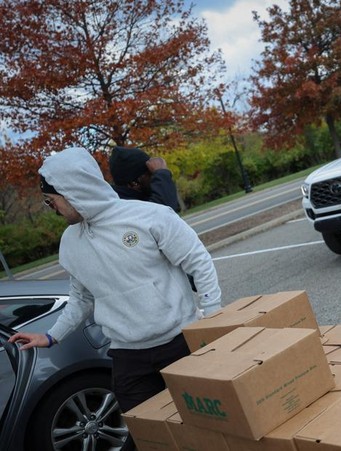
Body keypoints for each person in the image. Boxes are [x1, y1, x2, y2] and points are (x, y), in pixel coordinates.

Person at [9, 147, 221, 449]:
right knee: (152, 439)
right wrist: (50, 336)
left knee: (209, 429)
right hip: (128, 358)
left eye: (51, 201)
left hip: (181, 343)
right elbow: (81, 298)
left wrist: (213, 321)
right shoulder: (70, 242)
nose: (51, 208)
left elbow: (198, 261)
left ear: (73, 191)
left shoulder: (150, 216)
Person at [110, 145, 181, 213]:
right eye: (151, 173)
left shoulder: (135, 199)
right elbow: (164, 214)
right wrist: (162, 174)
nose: (155, 177)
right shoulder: (125, 209)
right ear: (134, 184)